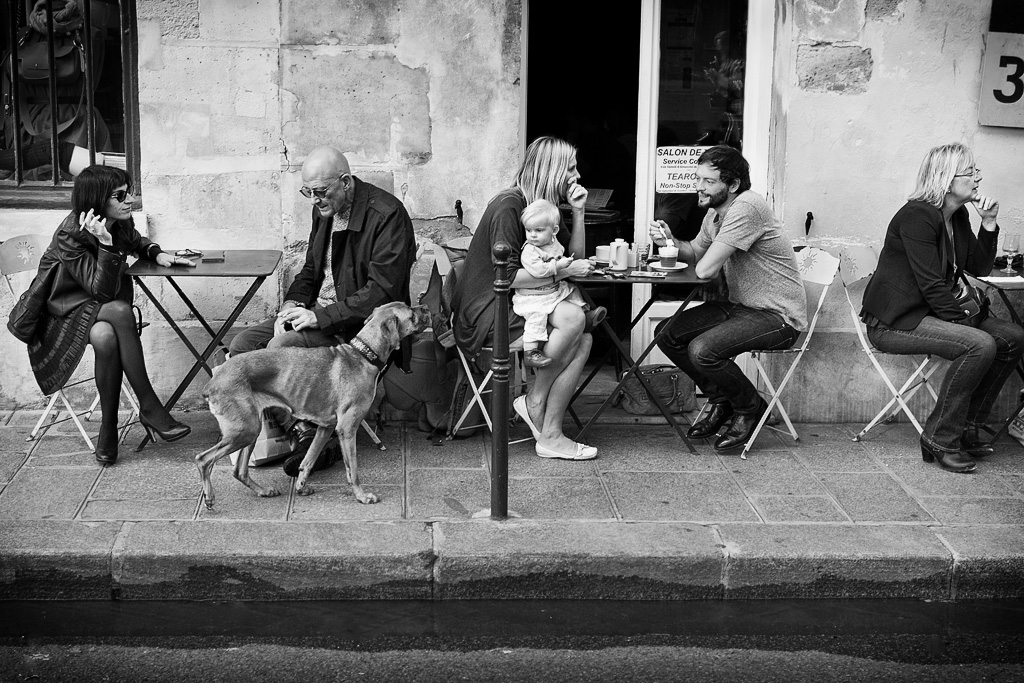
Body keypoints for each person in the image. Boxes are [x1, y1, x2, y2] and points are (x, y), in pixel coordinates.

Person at [228, 146, 416, 474]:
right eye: (308, 192)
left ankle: (312, 435)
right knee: (242, 346)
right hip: (318, 314)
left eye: (319, 191)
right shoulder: (325, 210)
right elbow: (311, 272)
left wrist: (320, 317)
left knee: (280, 349)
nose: (314, 199)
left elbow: (380, 292)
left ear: (345, 181)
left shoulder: (387, 215)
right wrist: (291, 306)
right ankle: (304, 432)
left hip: (357, 330)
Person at [860, 142, 1024, 474]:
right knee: (978, 345)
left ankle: (967, 427)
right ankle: (940, 438)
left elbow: (975, 267)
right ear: (947, 179)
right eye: (971, 172)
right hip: (895, 321)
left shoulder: (958, 215)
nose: (977, 179)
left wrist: (989, 224)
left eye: (976, 172)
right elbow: (931, 284)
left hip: (930, 313)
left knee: (1013, 337)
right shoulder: (918, 215)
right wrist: (968, 322)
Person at [17, 165, 193, 465]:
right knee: (120, 310)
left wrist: (155, 252)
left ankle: (108, 429)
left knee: (105, 335)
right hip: (62, 316)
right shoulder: (70, 235)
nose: (130, 200)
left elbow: (137, 242)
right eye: (120, 195)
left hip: (102, 316)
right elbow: (102, 293)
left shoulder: (119, 221)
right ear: (98, 199)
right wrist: (106, 245)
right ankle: (149, 407)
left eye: (130, 192)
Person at [648, 145, 806, 453]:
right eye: (697, 179)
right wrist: (669, 241)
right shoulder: (715, 214)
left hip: (779, 317)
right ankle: (722, 398)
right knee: (667, 333)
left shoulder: (747, 207)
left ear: (732, 185)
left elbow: (705, 268)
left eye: (708, 181)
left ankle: (750, 409)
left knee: (703, 349)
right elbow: (694, 251)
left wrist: (692, 257)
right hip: (742, 308)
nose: (698, 187)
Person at [452, 136, 600, 461]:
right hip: (489, 310)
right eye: (571, 170)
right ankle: (536, 405)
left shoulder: (542, 209)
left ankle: (548, 431)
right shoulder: (510, 206)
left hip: (523, 300)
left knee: (584, 339)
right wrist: (562, 273)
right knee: (575, 319)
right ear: (553, 170)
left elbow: (573, 259)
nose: (576, 177)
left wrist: (577, 212)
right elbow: (506, 276)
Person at [512, 198, 604, 369]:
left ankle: (585, 316)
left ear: (554, 231)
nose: (532, 235)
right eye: (528, 230)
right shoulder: (530, 250)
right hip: (533, 296)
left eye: (538, 230)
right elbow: (538, 271)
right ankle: (530, 352)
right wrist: (561, 267)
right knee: (536, 317)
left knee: (571, 290)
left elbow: (563, 255)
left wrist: (568, 261)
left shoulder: (553, 243)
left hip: (550, 290)